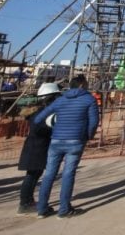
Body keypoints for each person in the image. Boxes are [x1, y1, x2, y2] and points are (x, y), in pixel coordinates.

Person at [34, 74, 99, 219]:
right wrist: (88, 136)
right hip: (75, 141)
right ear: (82, 85)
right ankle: (64, 209)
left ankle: (42, 209)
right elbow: (94, 122)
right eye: (87, 83)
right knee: (68, 174)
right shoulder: (89, 99)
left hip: (56, 141)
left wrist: (55, 127)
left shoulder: (60, 100)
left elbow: (38, 118)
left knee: (49, 174)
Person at [17, 83, 61, 215]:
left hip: (36, 146)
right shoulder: (41, 113)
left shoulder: (39, 110)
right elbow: (40, 128)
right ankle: (25, 204)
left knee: (34, 175)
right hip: (37, 147)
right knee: (32, 176)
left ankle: (27, 201)